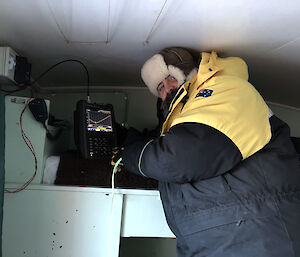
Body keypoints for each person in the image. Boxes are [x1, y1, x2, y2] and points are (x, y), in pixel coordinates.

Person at [112, 47, 300, 257]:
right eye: (160, 87)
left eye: (170, 78)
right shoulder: (191, 114)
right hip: (223, 240)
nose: (167, 89)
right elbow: (164, 141)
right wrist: (124, 137)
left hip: (252, 238)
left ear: (190, 74)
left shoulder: (226, 89)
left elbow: (176, 158)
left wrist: (126, 156)